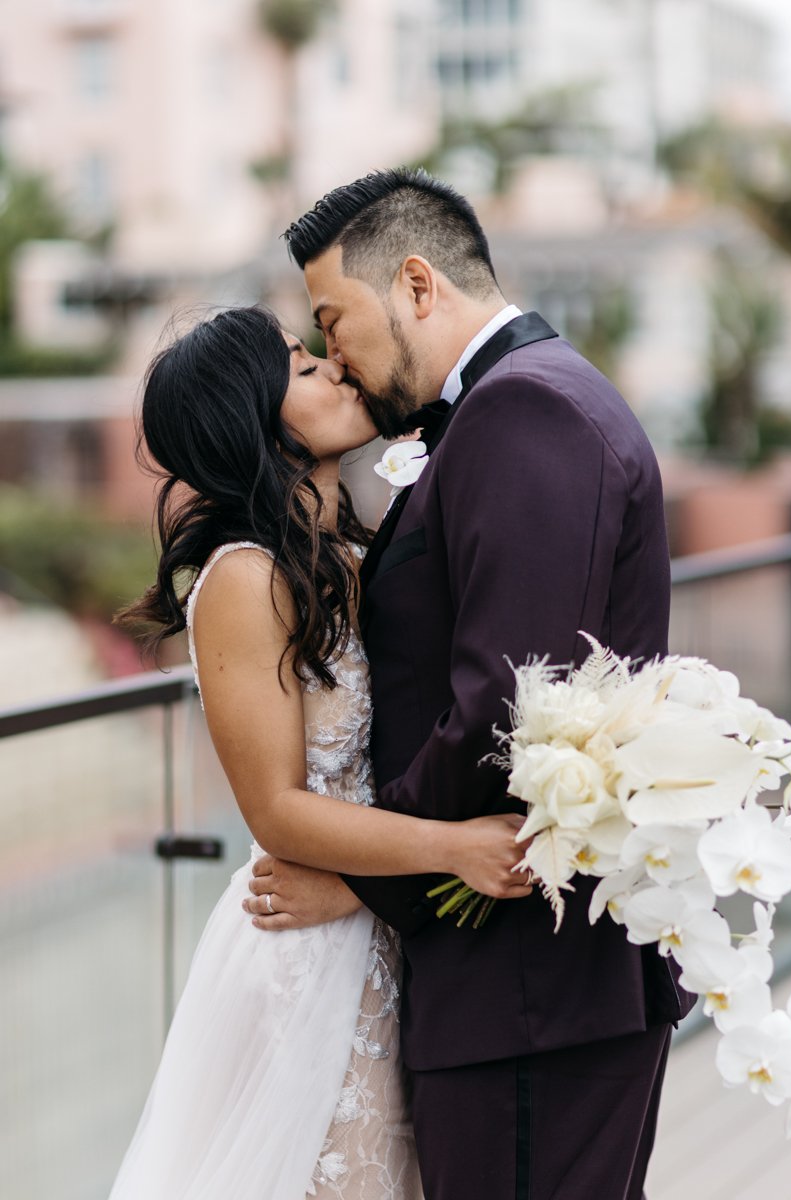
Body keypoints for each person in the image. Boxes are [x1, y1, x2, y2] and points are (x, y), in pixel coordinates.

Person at [246, 169, 697, 1200]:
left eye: (333, 320)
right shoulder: (515, 404)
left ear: (414, 284)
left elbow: (502, 706)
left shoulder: (522, 410)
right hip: (524, 985)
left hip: (527, 989)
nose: (336, 358)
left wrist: (363, 882)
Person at [111, 305, 529, 1200]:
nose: (337, 370)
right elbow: (275, 809)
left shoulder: (344, 552)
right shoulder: (245, 578)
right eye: (303, 367)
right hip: (307, 961)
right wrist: (457, 848)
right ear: (252, 420)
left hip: (376, 920)